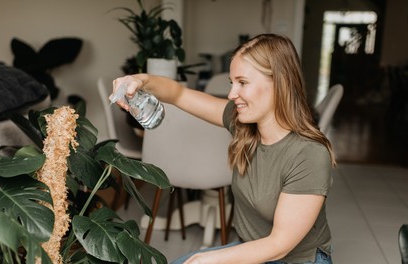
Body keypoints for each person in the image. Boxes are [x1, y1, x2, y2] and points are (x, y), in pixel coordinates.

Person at [112, 33, 336, 264]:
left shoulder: (309, 154)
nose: (232, 94)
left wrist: (208, 258)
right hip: (252, 247)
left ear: (280, 82)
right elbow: (179, 94)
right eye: (232, 83)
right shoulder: (243, 123)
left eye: (243, 82)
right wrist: (139, 80)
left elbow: (279, 245)